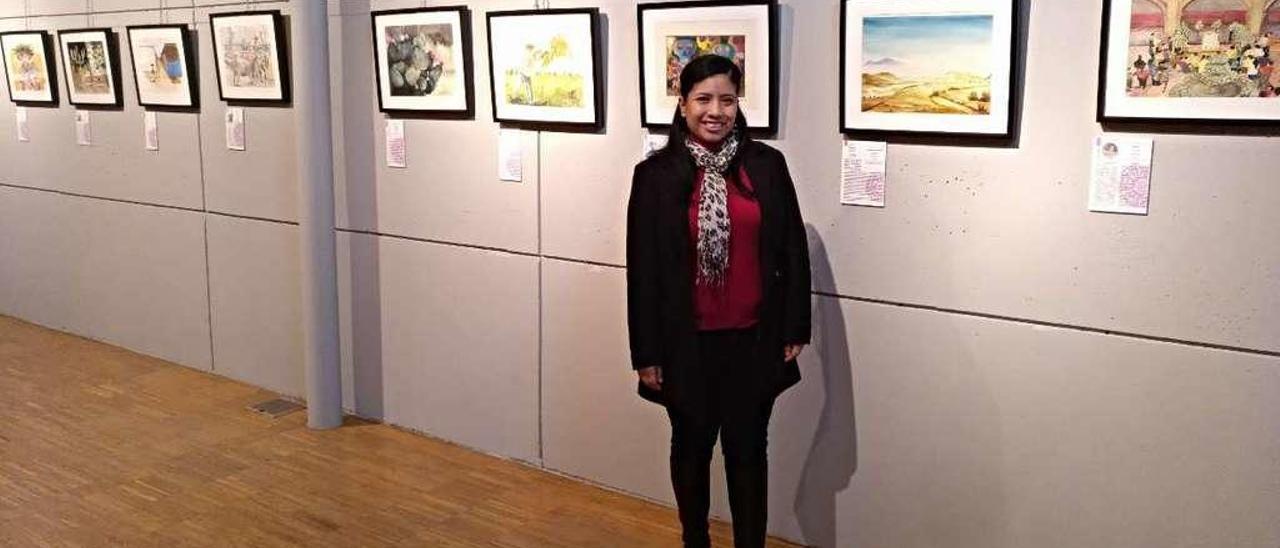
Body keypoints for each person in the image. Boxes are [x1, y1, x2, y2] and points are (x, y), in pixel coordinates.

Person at [626, 54, 811, 548]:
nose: (716, 110)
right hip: (687, 345)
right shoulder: (655, 176)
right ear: (683, 105)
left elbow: (791, 249)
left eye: (726, 99)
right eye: (704, 99)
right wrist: (646, 354)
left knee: (749, 452)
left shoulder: (766, 167)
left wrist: (795, 327)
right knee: (690, 448)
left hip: (753, 340)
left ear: (738, 105)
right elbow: (642, 272)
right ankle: (696, 540)